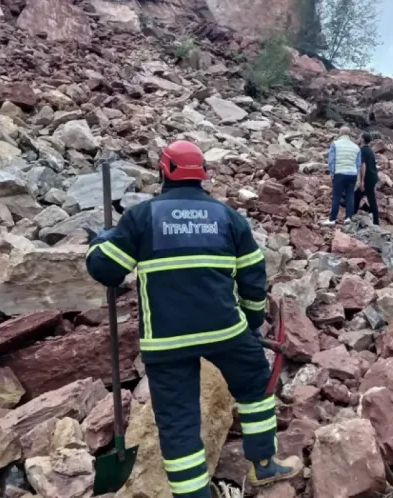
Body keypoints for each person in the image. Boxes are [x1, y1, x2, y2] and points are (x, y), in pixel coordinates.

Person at [85, 140, 302, 498]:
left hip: (166, 342)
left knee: (178, 421)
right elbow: (252, 275)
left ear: (164, 170)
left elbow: (107, 270)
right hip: (224, 331)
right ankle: (263, 464)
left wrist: (99, 241)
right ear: (203, 174)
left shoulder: (142, 217)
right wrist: (250, 321)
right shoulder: (227, 217)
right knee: (256, 388)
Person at [320, 125, 361, 226]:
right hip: (352, 174)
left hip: (340, 173)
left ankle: (332, 219)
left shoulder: (335, 144)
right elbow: (358, 163)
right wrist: (358, 178)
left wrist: (332, 173)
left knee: (336, 196)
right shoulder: (356, 147)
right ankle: (348, 218)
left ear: (340, 133)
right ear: (349, 134)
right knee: (350, 196)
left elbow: (331, 161)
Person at [353, 132, 380, 225]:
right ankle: (352, 214)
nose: (358, 138)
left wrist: (362, 181)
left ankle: (376, 222)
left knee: (371, 199)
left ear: (363, 139)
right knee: (357, 195)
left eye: (360, 137)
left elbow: (363, 165)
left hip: (368, 178)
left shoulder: (363, 150)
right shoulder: (369, 150)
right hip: (372, 177)